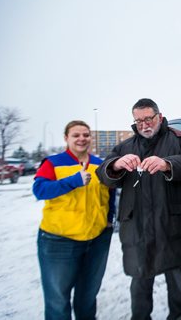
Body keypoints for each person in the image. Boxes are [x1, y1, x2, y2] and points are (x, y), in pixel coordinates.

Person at [96, 98, 181, 320]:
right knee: (140, 289)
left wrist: (168, 164)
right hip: (139, 232)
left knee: (178, 288)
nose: (144, 124)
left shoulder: (180, 140)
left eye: (148, 119)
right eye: (138, 120)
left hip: (175, 230)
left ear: (160, 117)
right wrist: (116, 165)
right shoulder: (124, 147)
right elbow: (103, 175)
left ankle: (177, 316)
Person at [33, 120, 115, 320]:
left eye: (86, 135)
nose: (81, 139)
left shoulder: (99, 164)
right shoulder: (52, 163)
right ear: (66, 138)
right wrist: (72, 181)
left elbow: (109, 195)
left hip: (96, 241)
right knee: (58, 301)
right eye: (76, 135)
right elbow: (40, 190)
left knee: (87, 298)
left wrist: (109, 219)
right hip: (59, 242)